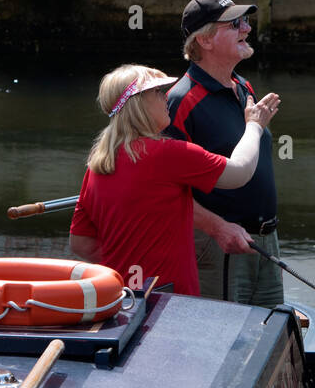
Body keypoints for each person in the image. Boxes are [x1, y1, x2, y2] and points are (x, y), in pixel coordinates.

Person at [68, 64, 276, 296]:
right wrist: (255, 126)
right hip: (170, 301)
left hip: (120, 297)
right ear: (138, 104)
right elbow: (240, 172)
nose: (165, 97)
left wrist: (132, 265)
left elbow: (81, 244)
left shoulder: (98, 165)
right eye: (157, 92)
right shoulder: (169, 153)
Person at [166, 0, 285, 307]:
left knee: (270, 335)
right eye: (235, 24)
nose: (246, 28)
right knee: (222, 342)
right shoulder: (180, 102)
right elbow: (163, 191)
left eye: (245, 21)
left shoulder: (243, 86)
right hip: (219, 246)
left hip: (264, 240)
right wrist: (217, 227)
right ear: (204, 41)